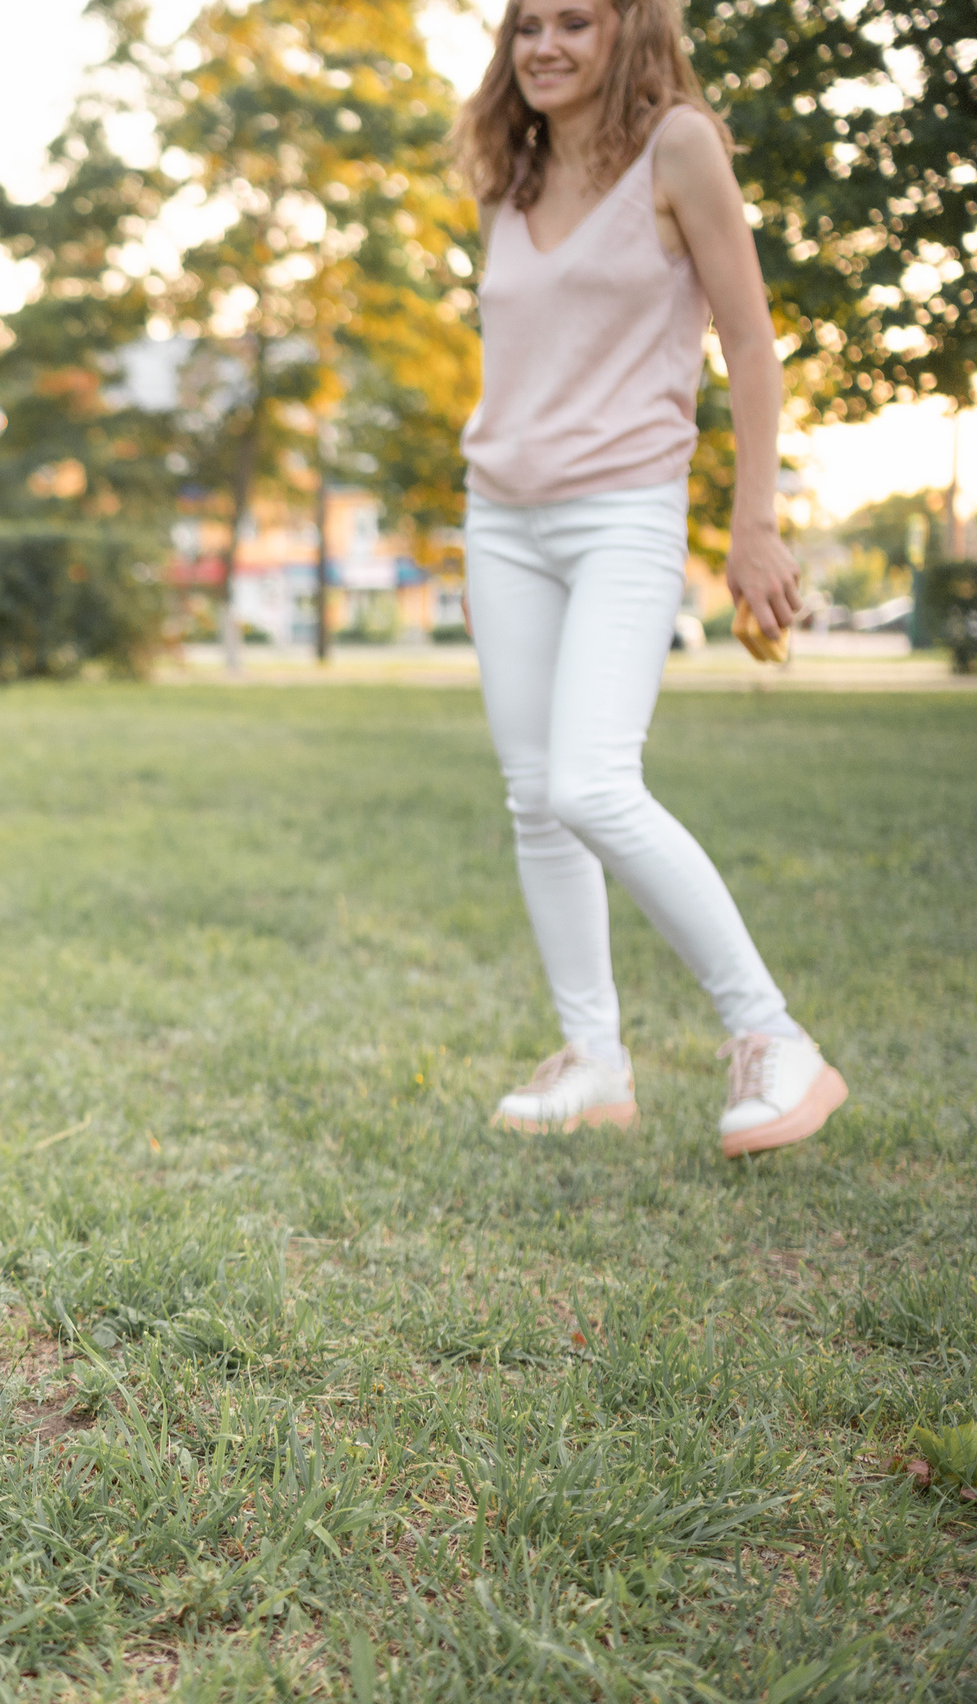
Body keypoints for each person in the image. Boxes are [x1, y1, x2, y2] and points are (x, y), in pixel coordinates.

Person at [451, 0, 846, 1157]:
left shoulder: (678, 144)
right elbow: (514, 363)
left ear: (630, 30)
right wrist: (476, 527)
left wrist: (755, 521)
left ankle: (774, 1039)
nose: (546, 47)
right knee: (534, 796)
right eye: (526, 26)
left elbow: (751, 340)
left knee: (589, 782)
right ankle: (594, 1063)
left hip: (623, 509)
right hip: (501, 519)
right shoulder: (507, 174)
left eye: (575, 21)